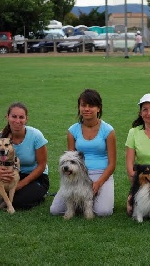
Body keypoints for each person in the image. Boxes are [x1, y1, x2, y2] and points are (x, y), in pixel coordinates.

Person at [0, 102, 50, 209]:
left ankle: (40, 196)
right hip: (9, 175)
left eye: (21, 117)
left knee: (17, 202)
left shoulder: (36, 136)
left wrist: (19, 184)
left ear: (26, 119)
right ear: (7, 117)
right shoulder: (0, 138)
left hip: (35, 177)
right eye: (14, 116)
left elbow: (41, 166)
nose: (17, 121)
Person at [50, 89, 117, 217]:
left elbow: (112, 164)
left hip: (101, 174)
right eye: (83, 105)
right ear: (79, 107)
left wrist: (99, 183)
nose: (86, 109)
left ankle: (87, 200)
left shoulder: (108, 130)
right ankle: (79, 200)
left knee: (103, 211)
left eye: (91, 105)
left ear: (98, 108)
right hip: (77, 174)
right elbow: (70, 158)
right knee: (55, 210)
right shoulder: (72, 130)